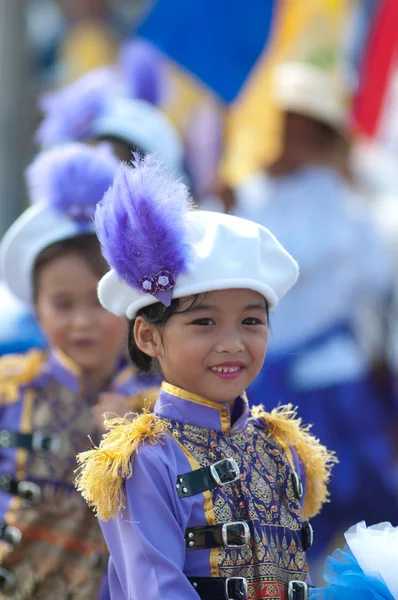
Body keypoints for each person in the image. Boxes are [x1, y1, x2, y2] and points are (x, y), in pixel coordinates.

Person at [76, 154, 336, 600]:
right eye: (204, 323)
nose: (233, 343)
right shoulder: (145, 460)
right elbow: (157, 588)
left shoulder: (281, 449)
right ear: (148, 336)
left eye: (251, 322)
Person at [234, 62, 397, 567]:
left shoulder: (352, 192)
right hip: (265, 383)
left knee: (359, 510)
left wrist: (346, 171)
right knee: (272, 518)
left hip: (336, 379)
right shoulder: (246, 194)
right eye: (288, 122)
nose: (296, 134)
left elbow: (377, 272)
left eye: (308, 124)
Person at [0, 144, 158, 598]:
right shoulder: (12, 389)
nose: (82, 322)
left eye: (100, 302)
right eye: (62, 305)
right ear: (35, 305)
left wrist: (134, 446)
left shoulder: (157, 408)